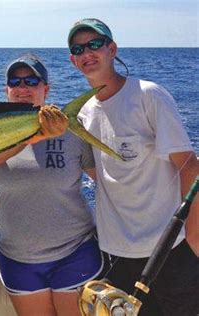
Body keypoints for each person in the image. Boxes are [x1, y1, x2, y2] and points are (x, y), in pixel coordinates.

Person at [68, 18, 199, 316]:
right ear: (73, 61)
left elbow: (190, 168)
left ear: (112, 49)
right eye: (78, 49)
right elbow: (96, 172)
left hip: (170, 252)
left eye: (95, 44)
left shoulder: (148, 95)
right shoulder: (84, 114)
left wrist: (194, 240)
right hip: (115, 256)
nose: (87, 52)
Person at [0, 54, 103, 316]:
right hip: (18, 258)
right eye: (15, 82)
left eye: (31, 81)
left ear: (46, 89)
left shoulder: (71, 130)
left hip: (74, 250)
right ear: (6, 90)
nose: (22, 88)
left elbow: (105, 181)